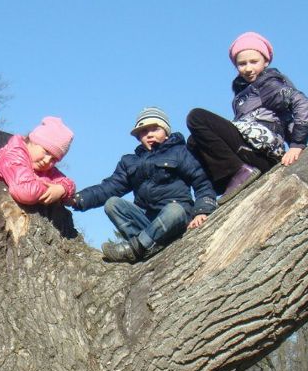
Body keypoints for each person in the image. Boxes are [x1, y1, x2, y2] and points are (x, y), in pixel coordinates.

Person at [71, 107, 216, 263]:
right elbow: (109, 187)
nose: (150, 134)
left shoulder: (180, 152)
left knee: (174, 210)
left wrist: (202, 210)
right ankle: (146, 246)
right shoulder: (130, 161)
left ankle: (136, 249)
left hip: (176, 219)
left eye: (155, 129)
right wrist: (78, 198)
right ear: (138, 137)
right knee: (112, 204)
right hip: (148, 222)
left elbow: (201, 181)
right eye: (144, 131)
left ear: (166, 131)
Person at [186, 31, 308, 200]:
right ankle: (218, 186)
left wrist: (297, 144)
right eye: (242, 64)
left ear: (266, 61)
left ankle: (240, 171)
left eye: (254, 62)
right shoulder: (245, 92)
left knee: (197, 117)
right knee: (194, 141)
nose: (248, 68)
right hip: (251, 152)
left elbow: (303, 104)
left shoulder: (267, 84)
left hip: (262, 153)